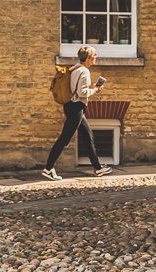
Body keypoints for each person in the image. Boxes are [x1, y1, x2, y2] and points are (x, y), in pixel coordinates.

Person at [42, 45, 111, 179]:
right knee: (64, 139)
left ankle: (97, 168)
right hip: (76, 107)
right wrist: (96, 90)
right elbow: (82, 92)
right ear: (89, 58)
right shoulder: (84, 71)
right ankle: (48, 168)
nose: (96, 57)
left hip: (70, 105)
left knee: (87, 136)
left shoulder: (74, 68)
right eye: (95, 55)